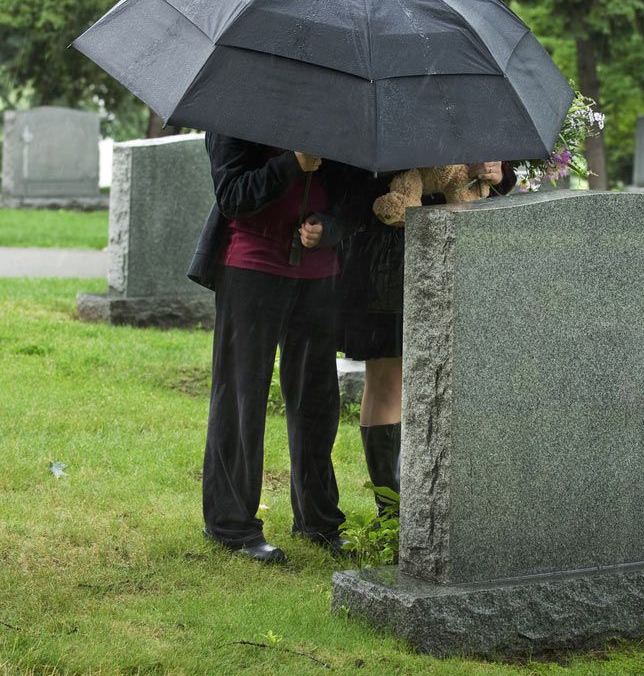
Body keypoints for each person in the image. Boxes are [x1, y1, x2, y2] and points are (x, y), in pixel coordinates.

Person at [188, 132, 353, 563]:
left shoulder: (333, 109)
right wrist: (293, 162)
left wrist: (329, 228)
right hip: (252, 265)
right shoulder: (236, 107)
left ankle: (319, 521)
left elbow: (352, 195)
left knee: (317, 400)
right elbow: (231, 195)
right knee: (242, 397)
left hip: (319, 272)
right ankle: (231, 526)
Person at [334, 161, 516, 514]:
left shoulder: (467, 111)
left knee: (447, 382)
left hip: (453, 252)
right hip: (384, 253)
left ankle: (440, 505)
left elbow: (489, 182)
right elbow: (351, 182)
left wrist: (498, 174)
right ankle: (393, 511)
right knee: (387, 379)